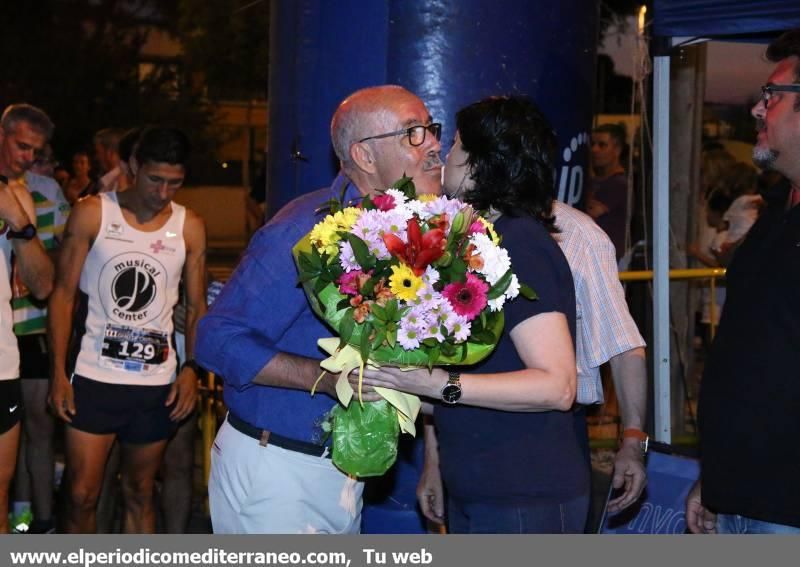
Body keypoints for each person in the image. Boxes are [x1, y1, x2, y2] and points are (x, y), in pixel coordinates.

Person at [195, 85, 443, 534]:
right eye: (413, 133)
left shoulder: (408, 232)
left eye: (431, 130)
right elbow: (215, 339)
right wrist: (325, 379)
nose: (432, 146)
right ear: (364, 156)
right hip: (279, 473)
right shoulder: (304, 230)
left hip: (345, 473)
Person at [354, 96, 586, 533]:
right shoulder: (480, 241)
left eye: (457, 145)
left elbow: (557, 385)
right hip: (479, 485)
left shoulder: (521, 243)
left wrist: (441, 387)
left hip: (523, 491)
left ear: (481, 164)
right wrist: (436, 462)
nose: (443, 155)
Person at [47, 127, 206, 533]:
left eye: (175, 182)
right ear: (134, 167)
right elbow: (63, 295)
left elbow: (197, 307)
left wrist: (192, 369)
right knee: (82, 495)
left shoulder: (189, 226)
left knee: (139, 491)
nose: (164, 192)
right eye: (155, 179)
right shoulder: (93, 212)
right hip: (92, 377)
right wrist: (57, 376)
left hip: (155, 384)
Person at [686, 29, 800, 535]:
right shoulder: (773, 215)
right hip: (739, 496)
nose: (757, 109)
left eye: (772, 96)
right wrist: (714, 475)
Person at [3, 106, 70, 535]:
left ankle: (33, 521)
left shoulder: (22, 196)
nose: (28, 157)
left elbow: (44, 285)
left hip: (4, 357)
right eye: (21, 145)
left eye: (36, 150)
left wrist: (21, 226)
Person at [586, 123, 629, 261]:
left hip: (608, 261)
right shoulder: (594, 181)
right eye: (592, 144)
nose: (595, 149)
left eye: (602, 145)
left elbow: (588, 216)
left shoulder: (618, 184)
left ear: (617, 150)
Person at [93, 128, 125, 194]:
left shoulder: (118, 184)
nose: (96, 157)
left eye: (98, 152)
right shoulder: (108, 182)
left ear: (110, 153)